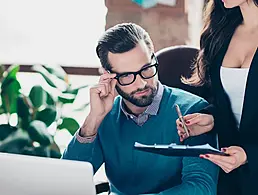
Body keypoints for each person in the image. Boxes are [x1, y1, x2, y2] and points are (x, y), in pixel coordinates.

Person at [62, 23, 218, 195]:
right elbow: (66, 182)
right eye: (127, 75)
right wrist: (93, 119)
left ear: (154, 60)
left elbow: (202, 187)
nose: (141, 83)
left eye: (146, 69)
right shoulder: (105, 115)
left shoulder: (195, 112)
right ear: (108, 76)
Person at [176, 0, 258, 195]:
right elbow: (221, 99)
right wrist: (210, 119)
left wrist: (250, 154)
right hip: (230, 175)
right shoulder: (221, 29)